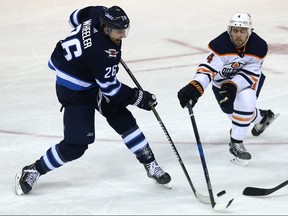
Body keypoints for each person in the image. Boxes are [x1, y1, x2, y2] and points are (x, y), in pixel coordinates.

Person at [15, 5, 171, 195]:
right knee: (76, 145)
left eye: (125, 30)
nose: (123, 34)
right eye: (119, 31)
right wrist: (138, 97)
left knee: (120, 115)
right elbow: (110, 88)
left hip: (85, 72)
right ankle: (34, 169)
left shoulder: (98, 13)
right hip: (73, 88)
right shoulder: (104, 53)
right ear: (106, 29)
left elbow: (74, 18)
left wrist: (87, 47)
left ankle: (150, 164)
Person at [177, 12, 279, 165]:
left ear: (249, 32)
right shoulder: (221, 45)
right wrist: (195, 87)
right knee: (233, 113)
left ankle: (236, 144)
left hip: (246, 81)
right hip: (221, 84)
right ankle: (263, 117)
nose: (238, 35)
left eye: (242, 31)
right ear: (229, 30)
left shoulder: (258, 46)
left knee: (245, 102)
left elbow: (251, 72)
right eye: (235, 30)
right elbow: (208, 69)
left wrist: (233, 85)